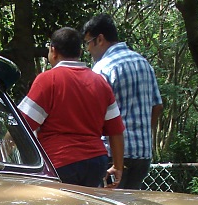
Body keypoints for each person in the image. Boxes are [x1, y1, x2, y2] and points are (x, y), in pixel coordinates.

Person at [16, 27, 124, 188]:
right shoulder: (100, 82)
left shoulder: (48, 80)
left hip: (59, 162)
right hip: (96, 163)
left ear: (53, 50)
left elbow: (21, 126)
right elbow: (116, 130)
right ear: (80, 51)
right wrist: (118, 166)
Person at [83, 13, 163, 189]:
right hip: (142, 155)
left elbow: (94, 113)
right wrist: (142, 133)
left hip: (113, 156)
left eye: (88, 43)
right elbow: (157, 106)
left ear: (100, 39)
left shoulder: (103, 68)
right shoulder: (144, 63)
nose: (88, 49)